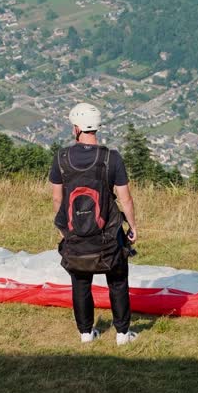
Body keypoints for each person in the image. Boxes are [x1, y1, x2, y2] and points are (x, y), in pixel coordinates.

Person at [50, 102, 140, 345]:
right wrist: (132, 227)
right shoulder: (112, 158)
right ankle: (122, 335)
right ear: (95, 128)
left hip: (75, 234)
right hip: (109, 234)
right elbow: (126, 198)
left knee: (80, 282)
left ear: (77, 128)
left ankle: (86, 334)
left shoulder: (61, 158)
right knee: (118, 281)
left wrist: (65, 230)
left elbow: (58, 198)